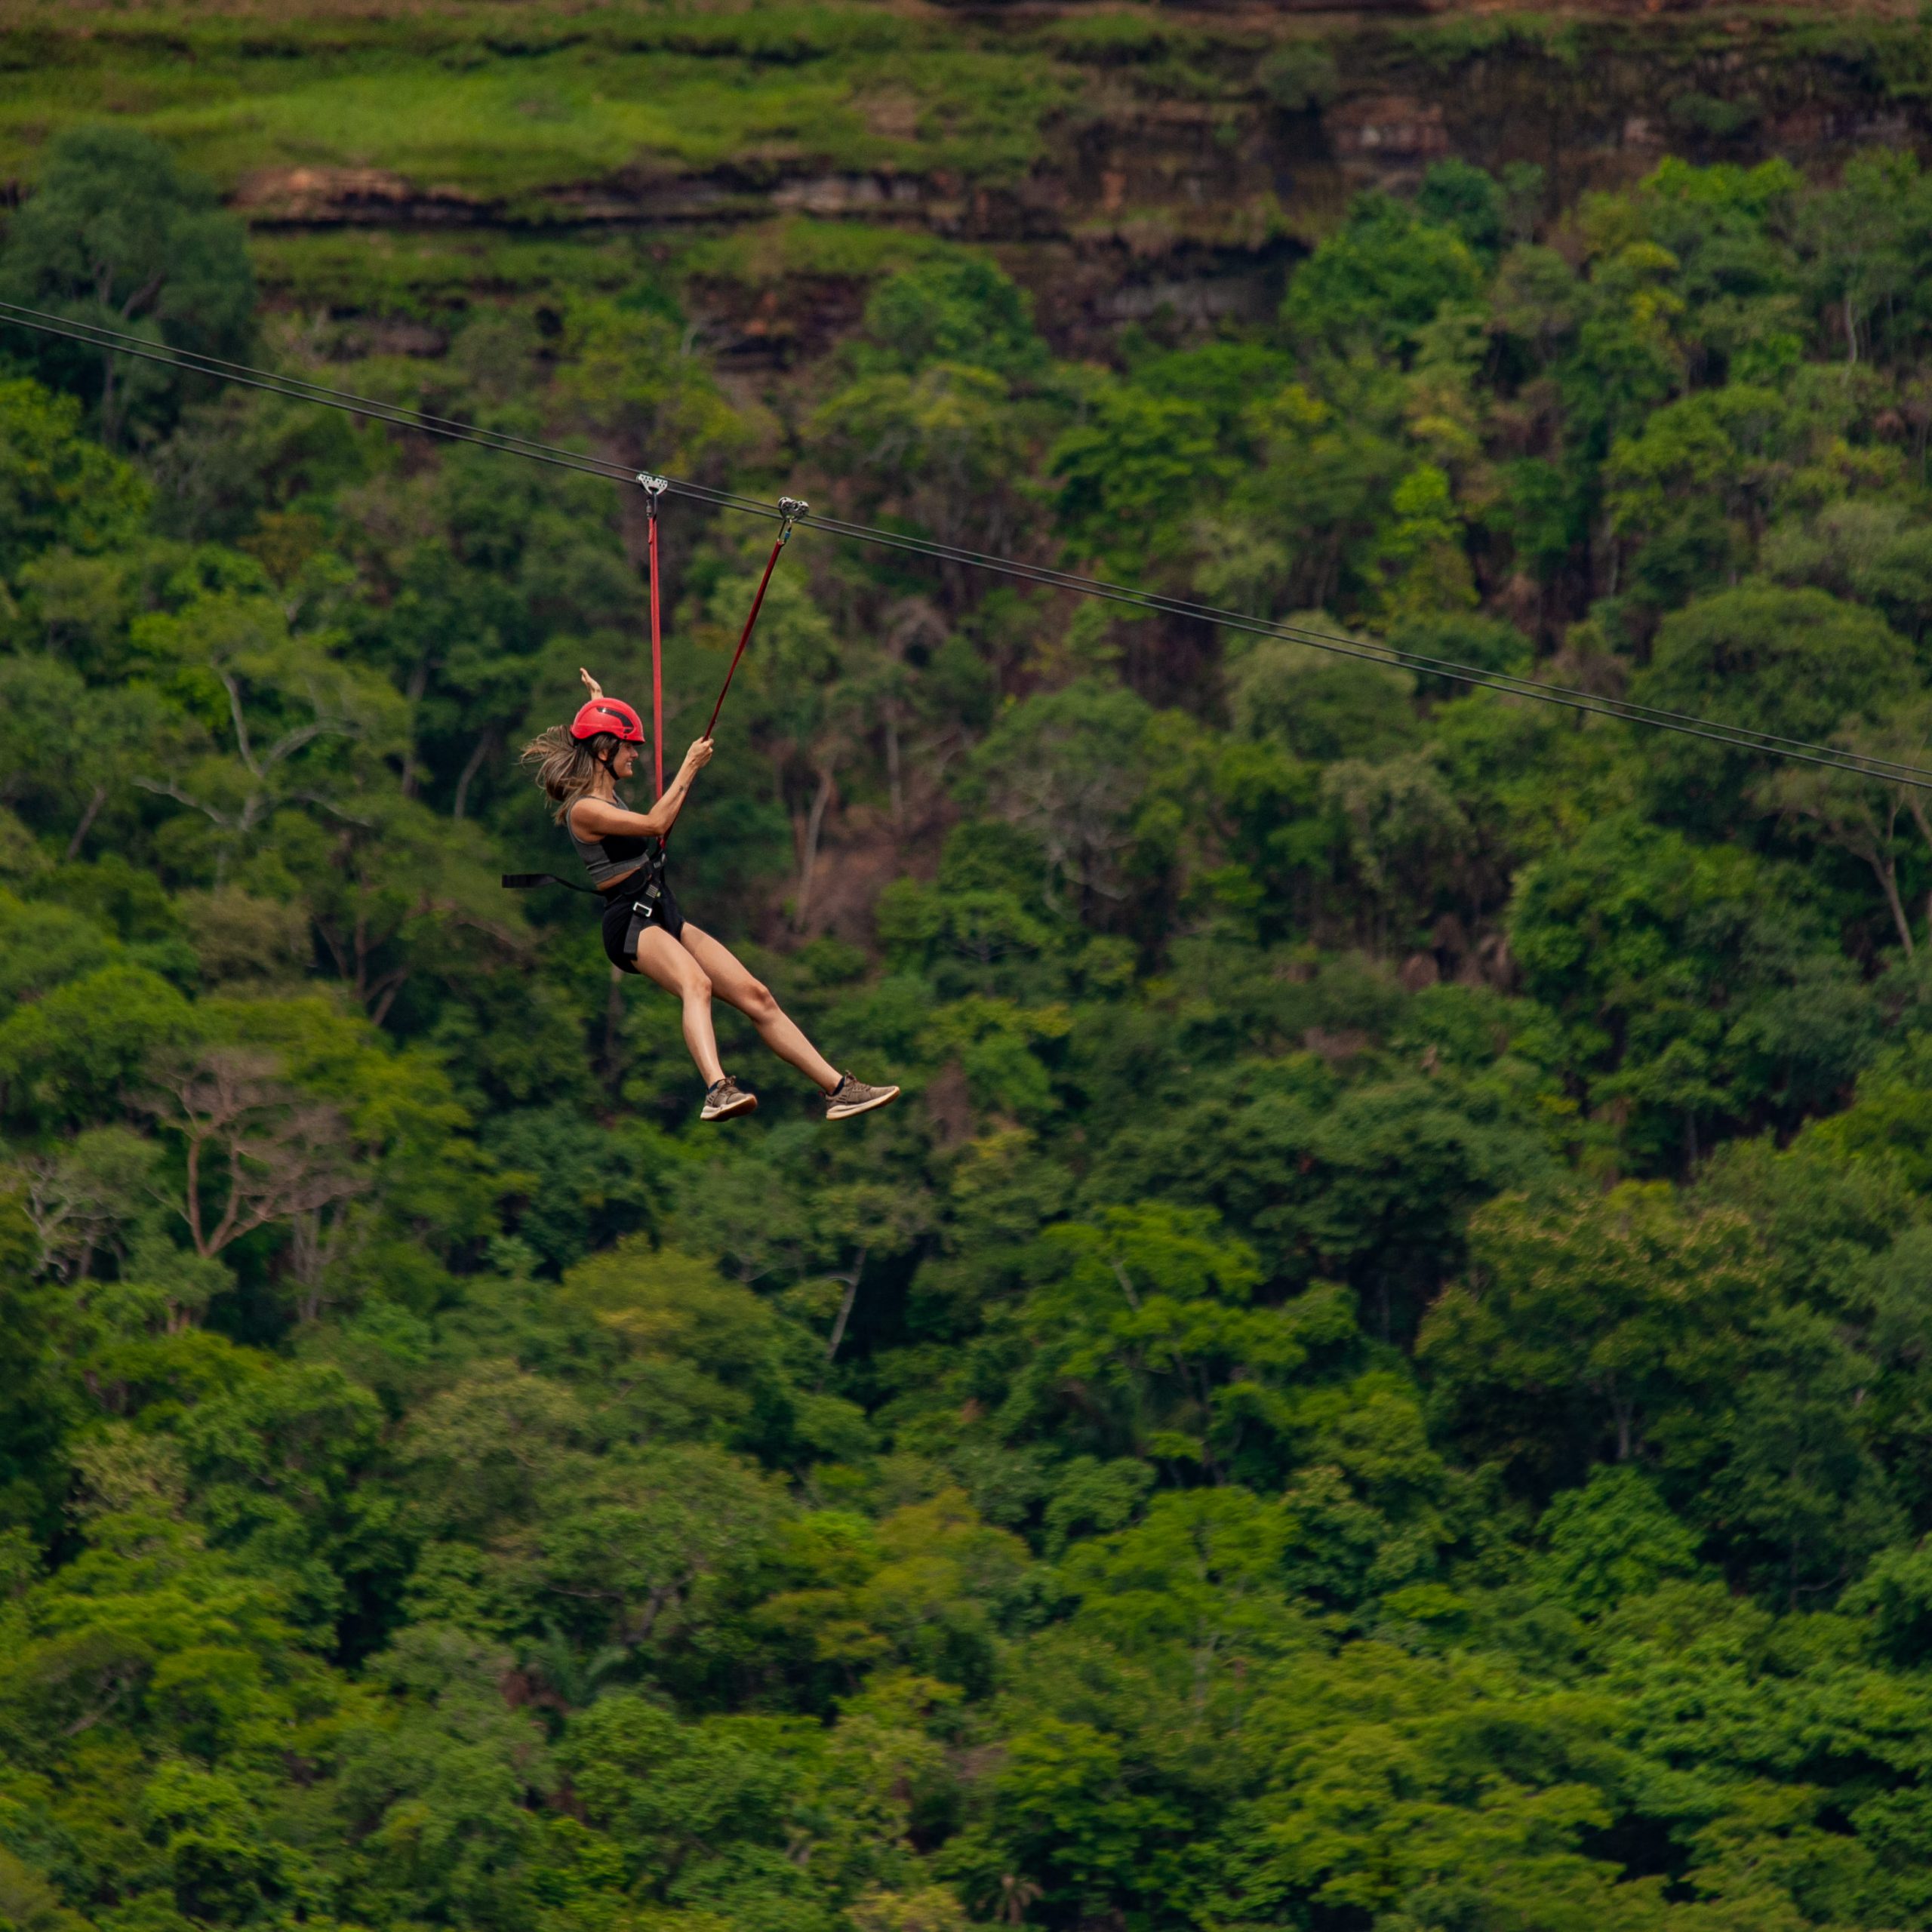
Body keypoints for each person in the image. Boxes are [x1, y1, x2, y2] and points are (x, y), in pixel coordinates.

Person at [519, 670, 899, 1124]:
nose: (636, 754)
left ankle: (839, 1090)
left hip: (662, 909)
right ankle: (717, 1089)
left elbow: (595, 746)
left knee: (758, 996)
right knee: (695, 984)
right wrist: (690, 765)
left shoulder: (607, 790)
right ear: (604, 751)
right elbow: (657, 823)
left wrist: (598, 701)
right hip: (631, 922)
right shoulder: (586, 809)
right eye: (628, 747)